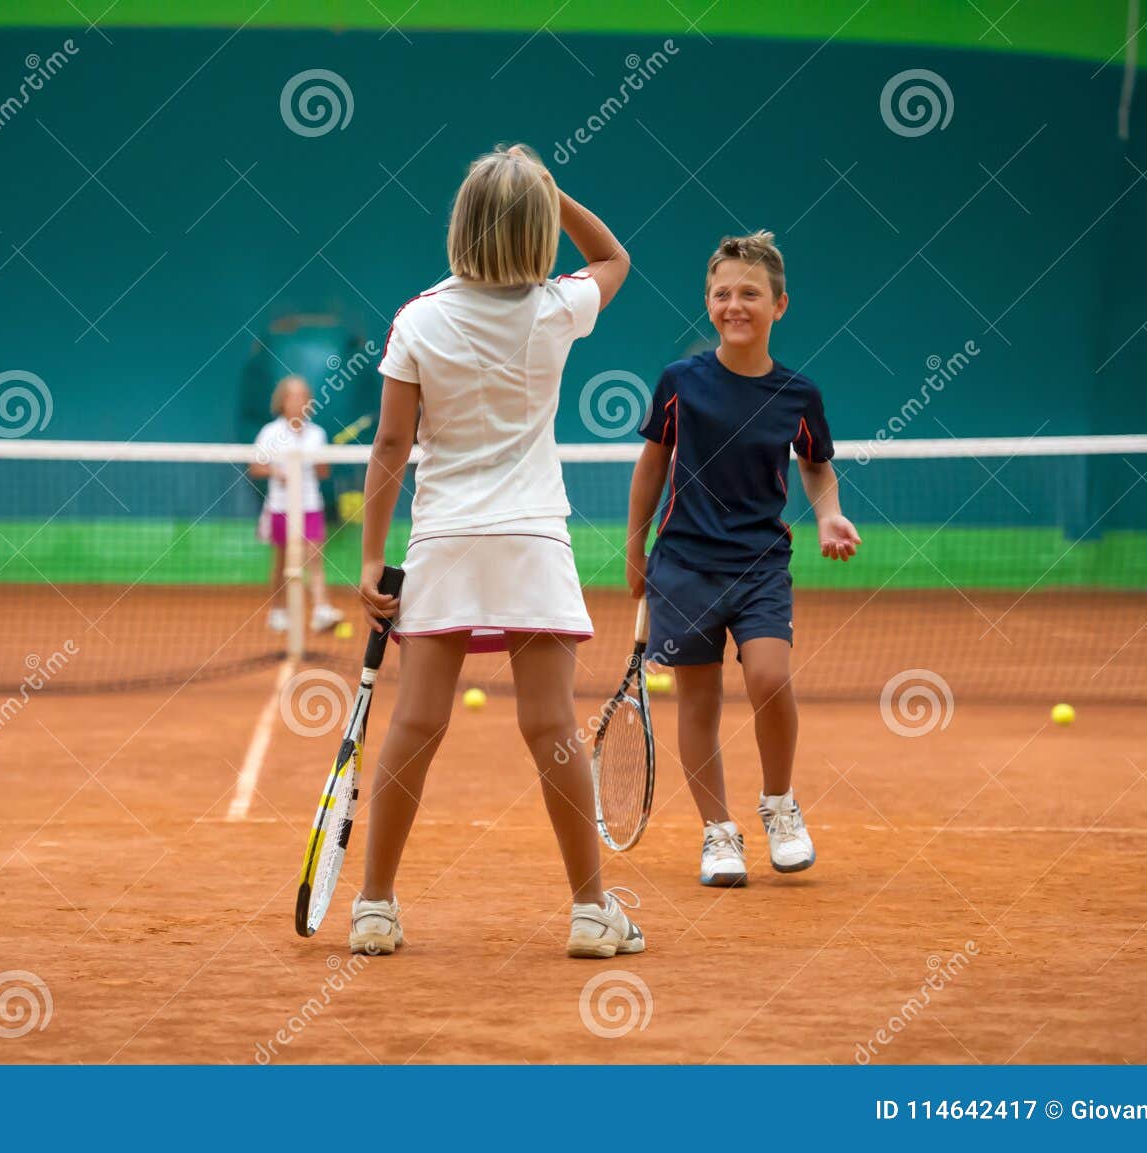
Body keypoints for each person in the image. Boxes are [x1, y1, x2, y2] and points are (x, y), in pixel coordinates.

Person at [354, 144, 638, 958]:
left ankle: (374, 906)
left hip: (442, 541)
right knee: (552, 725)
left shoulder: (417, 319)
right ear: (539, 228)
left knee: (415, 723)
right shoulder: (559, 307)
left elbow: (390, 446)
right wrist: (553, 191)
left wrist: (372, 561)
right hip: (531, 538)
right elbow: (615, 256)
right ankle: (591, 912)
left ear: (461, 224)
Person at [626, 232, 861, 888]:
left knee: (769, 679)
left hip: (760, 566)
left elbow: (816, 464)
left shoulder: (798, 393)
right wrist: (634, 550)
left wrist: (829, 513)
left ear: (779, 305)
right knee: (698, 703)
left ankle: (780, 806)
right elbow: (652, 466)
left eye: (750, 293)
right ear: (708, 303)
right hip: (683, 565)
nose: (736, 304)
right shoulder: (680, 382)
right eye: (723, 293)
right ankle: (717, 833)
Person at [250, 375, 344, 634]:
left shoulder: (317, 434)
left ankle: (321, 610)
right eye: (292, 396)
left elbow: (323, 472)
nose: (298, 400)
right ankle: (278, 611)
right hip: (280, 507)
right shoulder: (270, 432)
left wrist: (322, 461)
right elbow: (256, 466)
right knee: (282, 562)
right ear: (282, 401)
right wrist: (277, 472)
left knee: (314, 557)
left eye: (303, 395)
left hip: (310, 504)